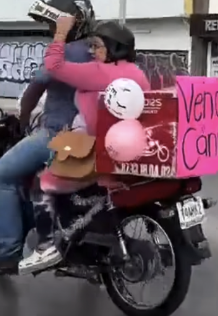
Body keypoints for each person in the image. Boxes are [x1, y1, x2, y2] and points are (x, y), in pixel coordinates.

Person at [16, 18, 151, 275]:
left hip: (93, 150)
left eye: (98, 46)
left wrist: (61, 33)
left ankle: (45, 247)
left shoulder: (99, 73)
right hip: (123, 150)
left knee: (42, 184)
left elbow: (54, 66)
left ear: (114, 49)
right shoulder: (137, 74)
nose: (93, 52)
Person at [0, 0, 97, 277]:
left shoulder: (66, 52)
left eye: (55, 26)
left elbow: (34, 91)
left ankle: (7, 254)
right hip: (94, 135)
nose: (51, 32)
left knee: (1, 177)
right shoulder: (98, 50)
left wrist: (20, 121)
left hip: (59, 134)